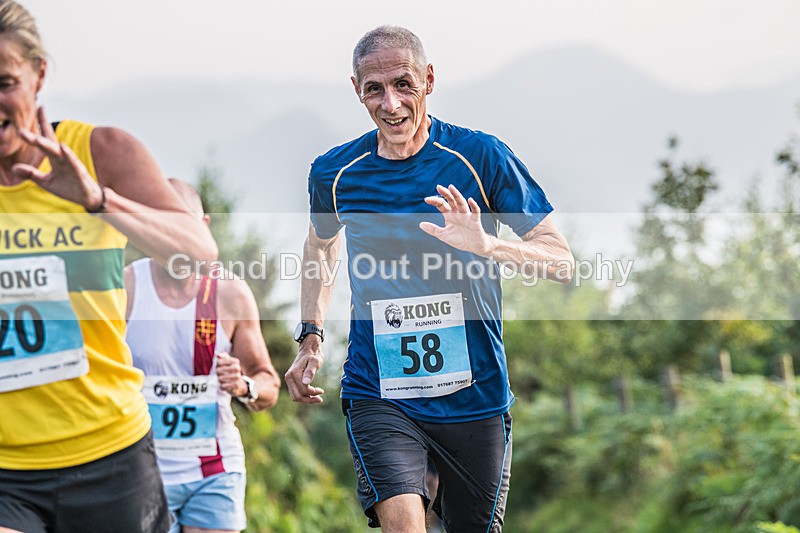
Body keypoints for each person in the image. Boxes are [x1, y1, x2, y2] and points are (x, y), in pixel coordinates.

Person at [285, 25, 574, 532]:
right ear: (357, 89)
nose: (390, 104)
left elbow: (559, 259)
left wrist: (487, 244)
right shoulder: (335, 171)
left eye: (404, 84)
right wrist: (310, 335)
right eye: (374, 89)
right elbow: (320, 247)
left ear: (430, 80)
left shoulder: (480, 157)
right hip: (380, 389)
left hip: (474, 394)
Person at [0, 2, 217, 532]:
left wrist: (99, 201)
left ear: (40, 74)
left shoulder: (100, 150)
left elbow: (198, 253)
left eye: (4, 81)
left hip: (109, 452)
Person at [125, 178, 281, 533]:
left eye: (185, 226)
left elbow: (267, 382)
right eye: (165, 226)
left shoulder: (230, 293)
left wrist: (243, 386)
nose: (176, 239)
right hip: (143, 471)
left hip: (215, 470)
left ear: (204, 228)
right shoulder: (127, 289)